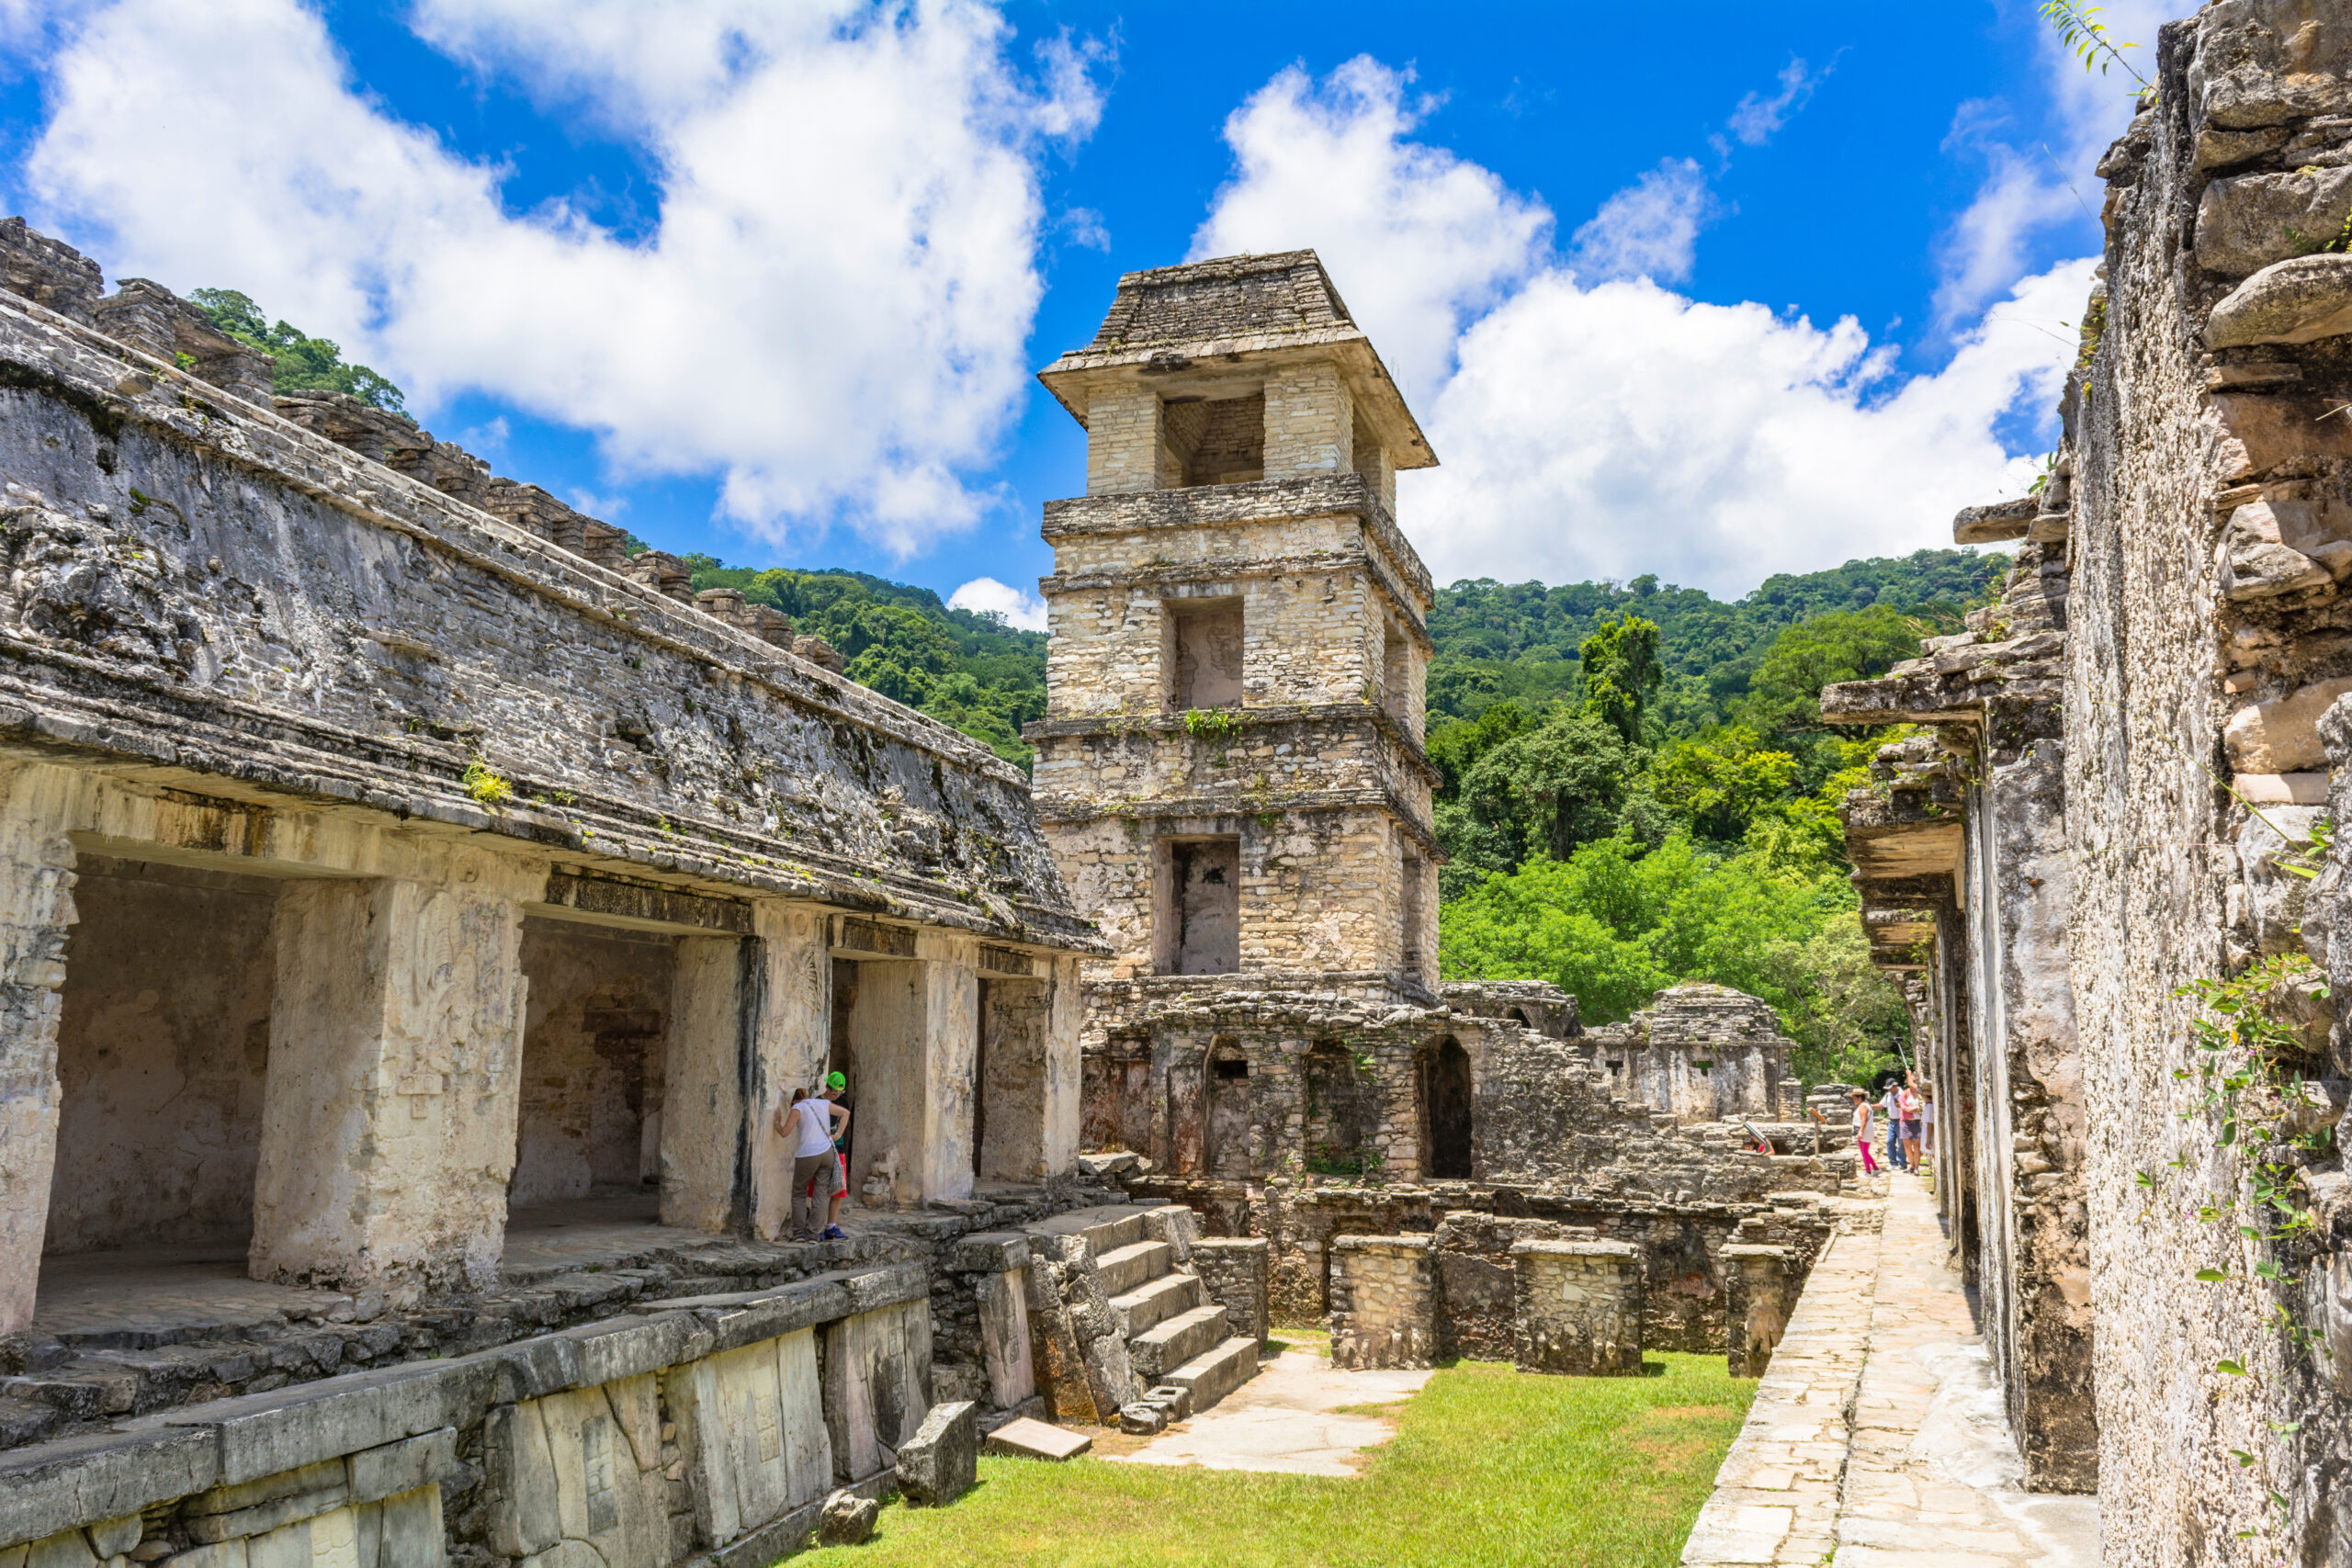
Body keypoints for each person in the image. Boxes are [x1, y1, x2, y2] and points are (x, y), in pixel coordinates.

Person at [774, 1084, 849, 1242]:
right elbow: (845, 1113)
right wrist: (837, 1135)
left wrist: (777, 1123)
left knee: (799, 1193)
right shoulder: (823, 1103)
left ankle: (799, 1233)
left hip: (808, 1154)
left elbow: (785, 1132)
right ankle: (814, 1235)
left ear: (792, 1101)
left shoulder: (798, 1107)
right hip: (827, 1152)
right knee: (820, 1194)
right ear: (805, 1094)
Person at [1899, 1077, 1925, 1174]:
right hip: (1906, 1122)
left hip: (1917, 1122)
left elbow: (1922, 1108)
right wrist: (1915, 1109)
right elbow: (1903, 1107)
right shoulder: (1905, 1093)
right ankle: (1913, 1165)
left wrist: (1911, 1109)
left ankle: (1916, 1168)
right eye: (1913, 1081)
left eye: (1916, 1081)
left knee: (1917, 1147)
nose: (1914, 1083)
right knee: (1907, 1147)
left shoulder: (1920, 1093)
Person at [1851, 1089, 1880, 1176]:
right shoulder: (1865, 1105)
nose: (1854, 1100)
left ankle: (1868, 1171)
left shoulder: (1863, 1107)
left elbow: (1863, 1120)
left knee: (1864, 1152)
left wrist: (1860, 1132)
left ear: (1859, 1098)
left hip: (1865, 1131)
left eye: (1855, 1098)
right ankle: (1875, 1168)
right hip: (1865, 1130)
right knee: (1865, 1151)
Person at [1881, 1080, 1906, 1172]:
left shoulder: (1903, 1094)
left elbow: (1905, 1107)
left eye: (1890, 1088)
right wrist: (1870, 1106)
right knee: (1890, 1141)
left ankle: (1902, 1163)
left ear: (1895, 1086)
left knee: (1901, 1144)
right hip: (1892, 1121)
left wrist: (1899, 1105)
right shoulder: (1888, 1095)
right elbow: (1882, 1105)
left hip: (1901, 1121)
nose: (1889, 1090)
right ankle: (1893, 1163)